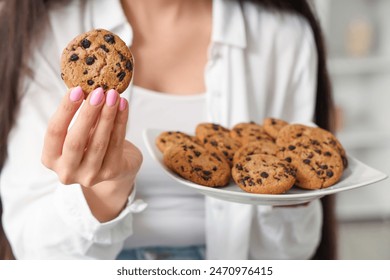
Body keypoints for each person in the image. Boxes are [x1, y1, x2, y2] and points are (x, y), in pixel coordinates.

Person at [0, 0, 337, 260]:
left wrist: (292, 192)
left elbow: (290, 254)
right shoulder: (43, 34)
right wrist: (103, 192)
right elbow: (37, 253)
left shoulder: (284, 37)